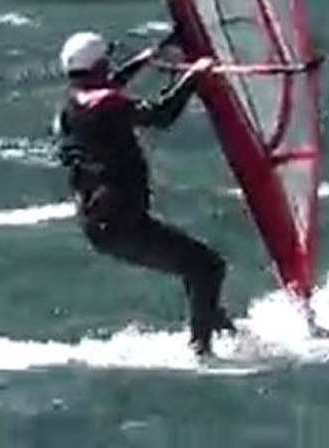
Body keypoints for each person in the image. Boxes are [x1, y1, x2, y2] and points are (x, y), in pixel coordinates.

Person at [54, 30, 235, 356]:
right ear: (98, 66)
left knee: (194, 267)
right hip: (120, 222)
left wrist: (148, 57)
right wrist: (195, 76)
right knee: (207, 267)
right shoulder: (106, 103)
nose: (111, 67)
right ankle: (202, 351)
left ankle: (219, 329)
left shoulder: (73, 103)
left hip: (98, 221)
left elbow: (110, 86)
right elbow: (162, 115)